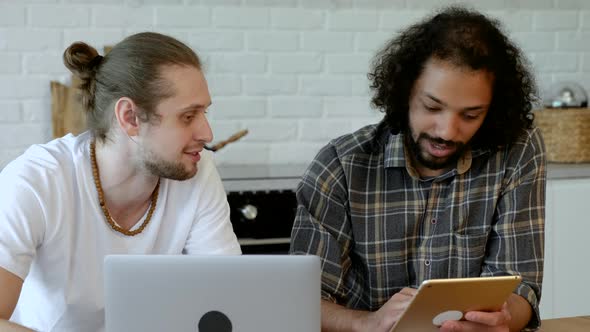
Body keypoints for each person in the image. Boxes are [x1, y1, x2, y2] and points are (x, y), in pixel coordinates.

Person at [290, 6, 545, 332]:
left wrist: (505, 317)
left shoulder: (517, 151)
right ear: (405, 90)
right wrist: (368, 322)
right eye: (432, 107)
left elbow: (522, 288)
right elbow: (302, 303)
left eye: (470, 115)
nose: (447, 131)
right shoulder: (341, 165)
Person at [0, 32, 241, 331]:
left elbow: (229, 301)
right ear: (130, 117)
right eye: (188, 116)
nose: (207, 134)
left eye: (204, 113)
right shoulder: (36, 180)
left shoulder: (198, 171)